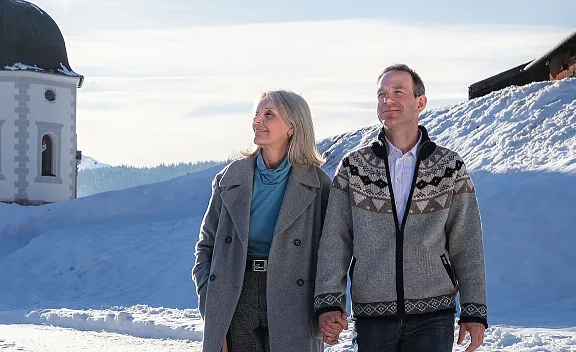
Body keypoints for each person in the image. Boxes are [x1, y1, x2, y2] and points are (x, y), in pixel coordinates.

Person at [315, 64, 489, 352]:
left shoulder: (449, 167)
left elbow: (466, 241)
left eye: (398, 92)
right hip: (372, 315)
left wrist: (474, 310)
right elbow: (335, 239)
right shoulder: (353, 168)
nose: (388, 100)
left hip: (434, 316)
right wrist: (330, 302)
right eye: (382, 94)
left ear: (420, 102)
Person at [193, 90, 333, 352]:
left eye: (269, 114)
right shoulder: (229, 178)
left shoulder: (318, 184)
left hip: (294, 300)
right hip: (236, 296)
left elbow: (331, 255)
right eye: (256, 114)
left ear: (292, 127)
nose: (257, 120)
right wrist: (212, 307)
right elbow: (206, 247)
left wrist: (328, 305)